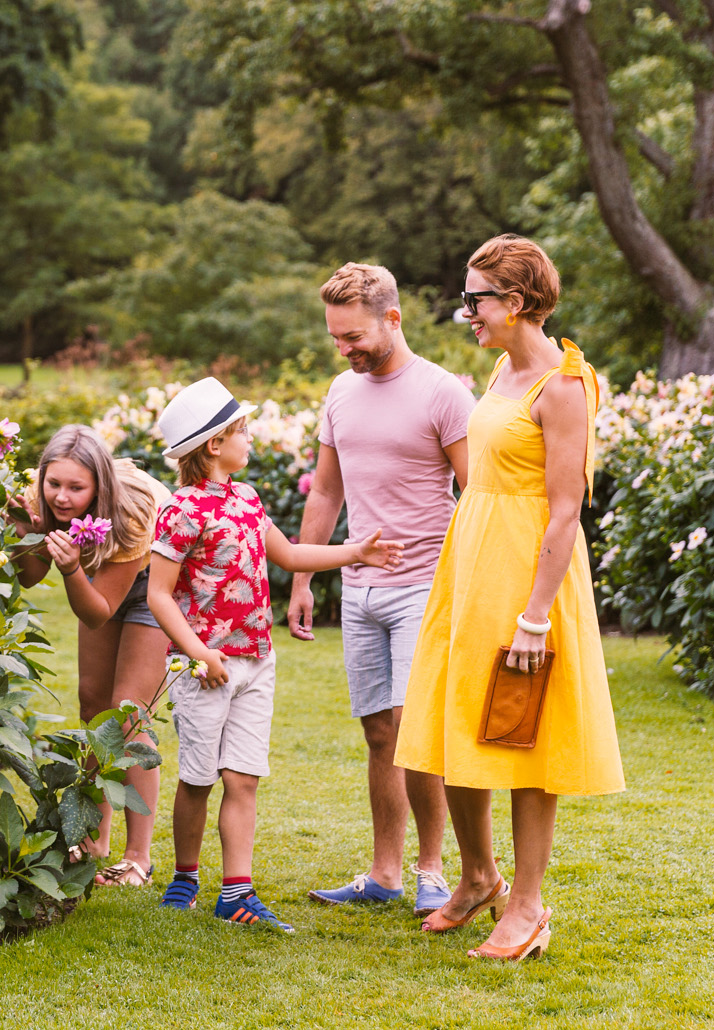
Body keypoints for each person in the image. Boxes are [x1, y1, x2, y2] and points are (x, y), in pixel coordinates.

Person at [394, 234, 625, 961]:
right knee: (450, 720)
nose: (467, 312)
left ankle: (526, 905)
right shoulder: (501, 367)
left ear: (516, 303)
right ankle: (479, 876)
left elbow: (564, 510)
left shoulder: (562, 385)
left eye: (476, 299)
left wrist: (534, 617)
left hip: (529, 576)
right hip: (471, 566)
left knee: (522, 734)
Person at [145, 378, 405, 933]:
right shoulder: (181, 512)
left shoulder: (245, 499)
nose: (250, 437)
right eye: (242, 430)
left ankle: (236, 892)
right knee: (197, 779)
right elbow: (158, 596)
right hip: (203, 670)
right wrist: (198, 654)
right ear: (213, 445)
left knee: (243, 778)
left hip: (256, 662)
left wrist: (354, 550)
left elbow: (286, 553)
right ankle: (185, 877)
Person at [293, 263, 473, 916]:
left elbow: (478, 494)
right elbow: (327, 491)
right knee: (378, 732)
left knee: (414, 729)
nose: (344, 349)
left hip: (425, 587)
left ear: (392, 319)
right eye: (336, 338)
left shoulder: (444, 393)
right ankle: (384, 872)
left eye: (354, 336)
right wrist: (304, 576)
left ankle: (433, 869)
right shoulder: (341, 393)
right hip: (362, 591)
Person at [12, 424, 173, 886]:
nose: (62, 497)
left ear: (99, 485)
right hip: (99, 573)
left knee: (129, 712)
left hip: (156, 581)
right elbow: (28, 576)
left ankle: (138, 856)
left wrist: (70, 569)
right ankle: (95, 838)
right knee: (93, 704)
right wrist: (25, 528)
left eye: (76, 488)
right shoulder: (40, 495)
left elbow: (99, 612)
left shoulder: (131, 509)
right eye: (54, 484)